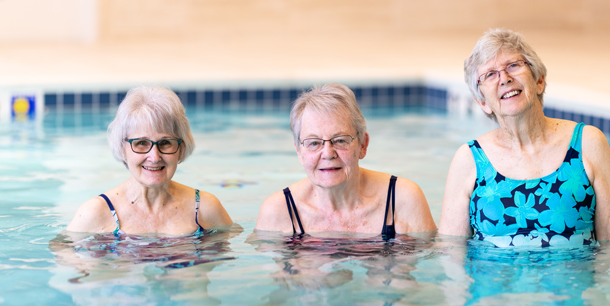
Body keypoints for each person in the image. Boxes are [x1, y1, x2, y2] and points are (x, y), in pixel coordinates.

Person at [440, 29, 610, 246]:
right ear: (483, 102)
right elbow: (451, 254)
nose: (504, 79)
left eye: (513, 65)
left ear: (539, 80)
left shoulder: (588, 143)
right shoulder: (469, 160)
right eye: (490, 74)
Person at [255, 82, 436, 238]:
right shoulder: (279, 212)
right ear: (299, 152)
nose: (327, 153)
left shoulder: (402, 200)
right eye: (314, 143)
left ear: (363, 145)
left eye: (340, 140)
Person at [66, 85, 233, 235]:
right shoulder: (96, 213)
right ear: (123, 148)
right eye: (141, 143)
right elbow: (69, 260)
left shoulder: (205, 209)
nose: (154, 157)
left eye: (165, 143)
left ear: (181, 149)